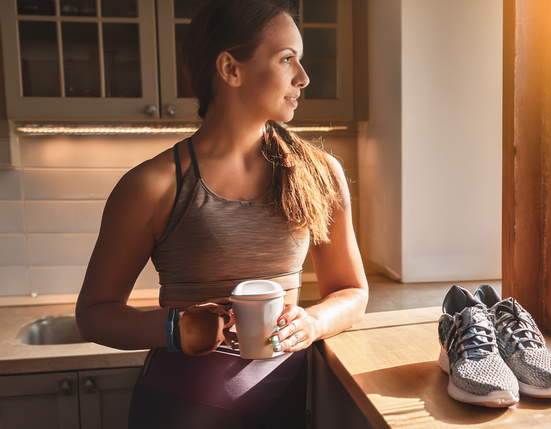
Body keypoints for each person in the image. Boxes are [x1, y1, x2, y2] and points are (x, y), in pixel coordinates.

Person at [75, 0, 368, 427]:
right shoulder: (153, 185)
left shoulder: (320, 174)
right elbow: (94, 314)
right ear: (230, 69)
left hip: (284, 409)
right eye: (287, 59)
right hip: (179, 411)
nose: (303, 78)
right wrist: (175, 327)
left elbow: (352, 292)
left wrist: (314, 322)